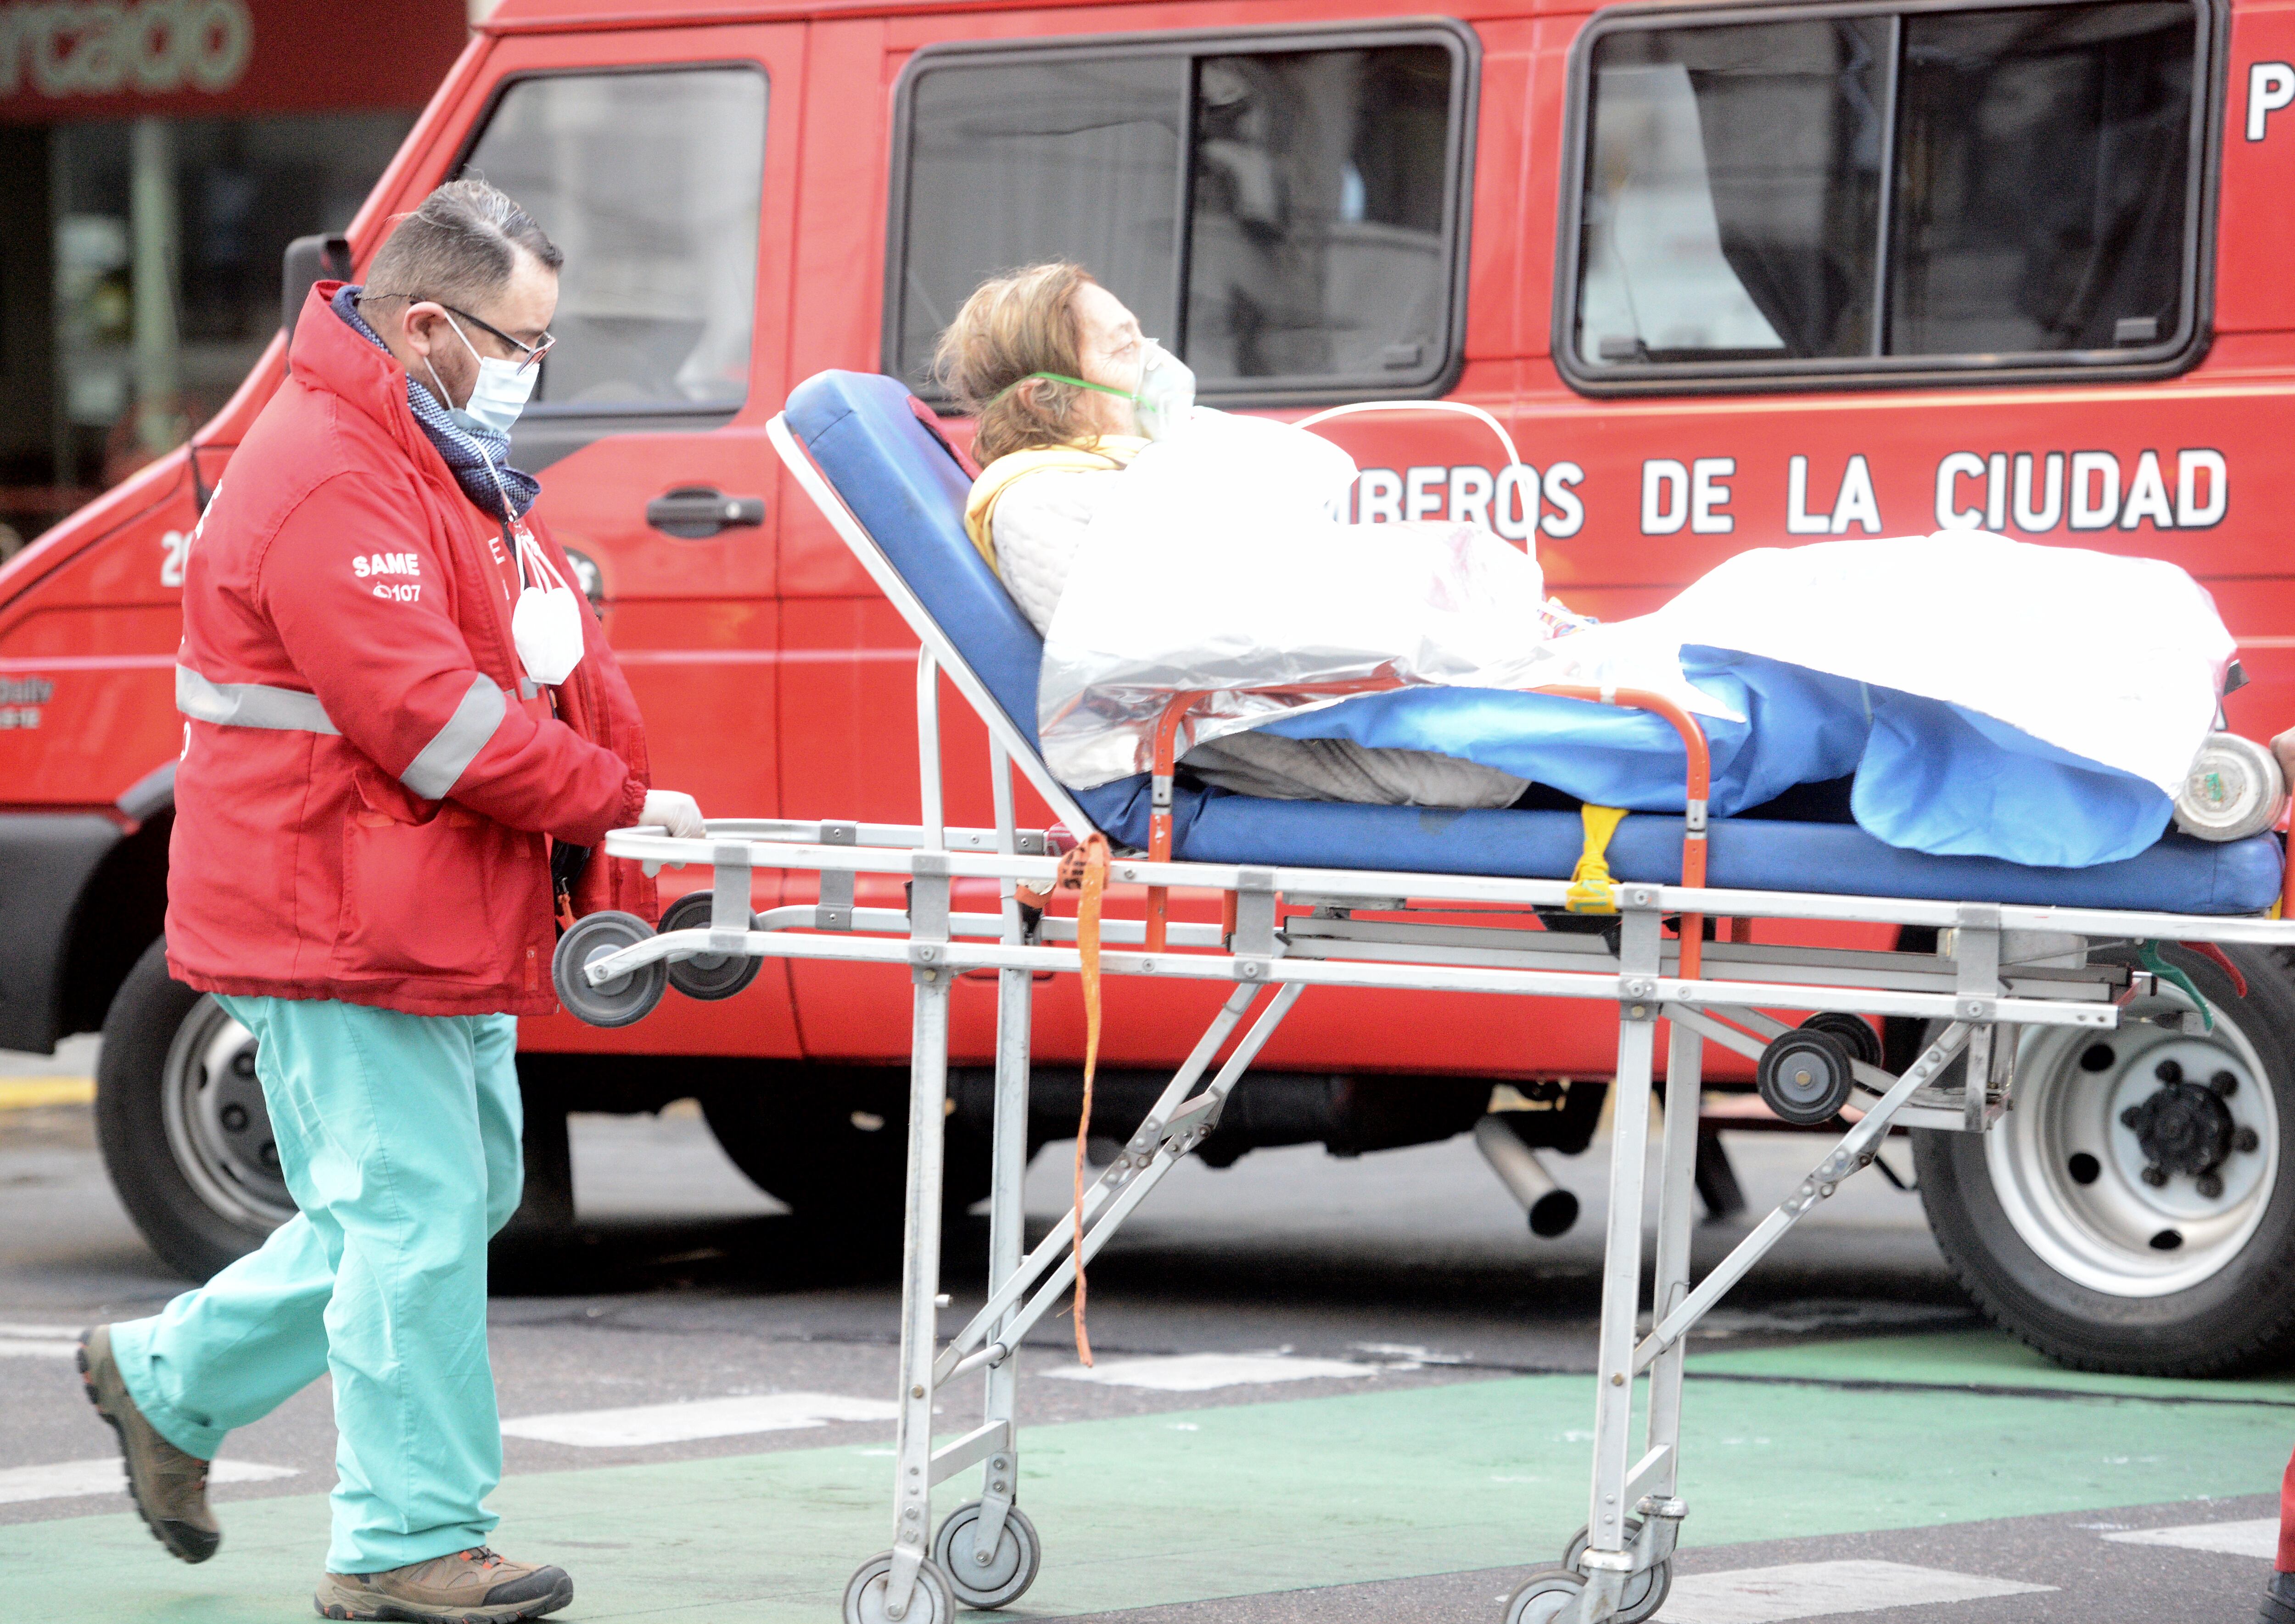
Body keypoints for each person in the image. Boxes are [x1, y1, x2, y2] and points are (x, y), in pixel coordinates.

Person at [74, 179, 704, 1624]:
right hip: (341, 913)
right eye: (519, 339)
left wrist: (601, 776)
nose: (532, 369)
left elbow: (498, 668)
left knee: (438, 1202)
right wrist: (604, 794)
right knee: (415, 1220)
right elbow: (427, 717)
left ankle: (167, 1384)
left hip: (401, 902)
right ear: (426, 326)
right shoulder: (333, 471)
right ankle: (406, 1544)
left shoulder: (416, 454)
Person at [937, 260, 1533, 809]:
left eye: (1142, 336)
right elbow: (1196, 644)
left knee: (1543, 697)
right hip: (1286, 733)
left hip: (1317, 703)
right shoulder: (1037, 503)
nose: (1153, 360)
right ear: (1046, 399)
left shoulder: (1126, 467)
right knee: (1522, 754)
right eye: (1124, 348)